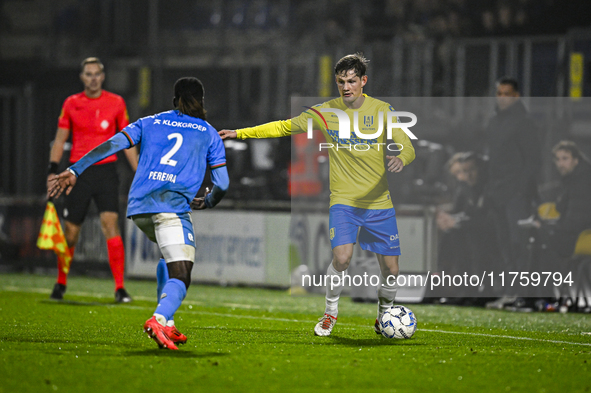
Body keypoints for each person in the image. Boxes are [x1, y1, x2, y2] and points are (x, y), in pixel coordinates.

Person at [219, 53, 415, 336]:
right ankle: (330, 314)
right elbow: (283, 126)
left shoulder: (383, 111)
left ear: (363, 81)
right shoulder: (325, 112)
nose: (346, 87)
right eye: (340, 82)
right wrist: (241, 133)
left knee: (392, 270)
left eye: (351, 81)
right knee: (342, 258)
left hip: (378, 203)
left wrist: (401, 159)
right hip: (344, 202)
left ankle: (384, 315)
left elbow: (407, 146)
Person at [48, 77, 229, 350]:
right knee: (182, 271)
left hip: (140, 207)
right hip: (171, 207)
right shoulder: (209, 133)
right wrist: (209, 201)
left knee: (166, 256)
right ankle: (160, 318)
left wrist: (75, 169)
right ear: (202, 102)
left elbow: (112, 144)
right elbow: (222, 183)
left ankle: (167, 325)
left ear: (174, 101)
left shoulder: (149, 121)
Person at [47, 57, 138, 303]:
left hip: (107, 172)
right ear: (82, 77)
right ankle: (61, 282)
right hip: (78, 174)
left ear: (103, 76)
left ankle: (120, 288)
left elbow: (128, 140)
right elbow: (60, 138)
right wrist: (52, 171)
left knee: (111, 224)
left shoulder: (116, 102)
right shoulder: (71, 103)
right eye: (89, 74)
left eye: (97, 73)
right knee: (71, 233)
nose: (93, 78)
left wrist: (138, 170)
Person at [484, 76, 540, 309]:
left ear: (516, 96)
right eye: (499, 93)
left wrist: (521, 190)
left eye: (507, 93)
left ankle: (521, 293)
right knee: (504, 244)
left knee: (518, 244)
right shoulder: (494, 123)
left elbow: (532, 160)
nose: (502, 98)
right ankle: (509, 292)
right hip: (497, 193)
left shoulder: (524, 122)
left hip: (515, 194)